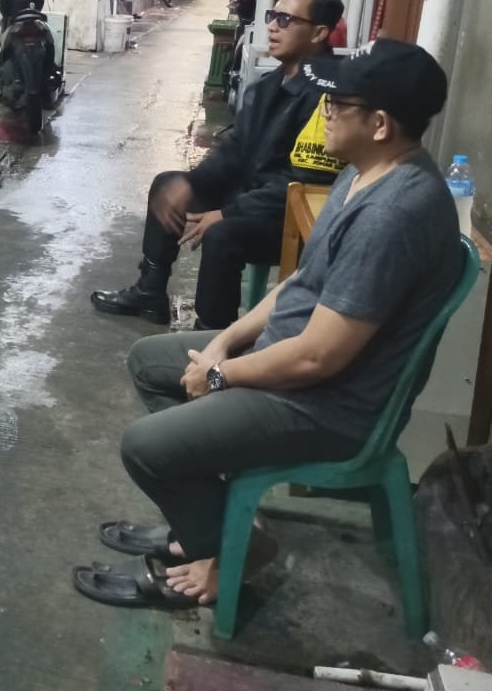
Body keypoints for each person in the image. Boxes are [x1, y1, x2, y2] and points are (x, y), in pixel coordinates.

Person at [75, 39, 461, 609]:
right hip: (296, 366)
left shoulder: (392, 215)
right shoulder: (362, 175)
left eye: (336, 105)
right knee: (150, 361)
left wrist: (221, 375)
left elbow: (318, 358)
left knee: (146, 448)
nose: (323, 114)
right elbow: (299, 283)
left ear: (380, 124)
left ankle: (231, 553)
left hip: (326, 405)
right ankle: (211, 524)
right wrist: (226, 342)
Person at [92, 0, 347, 330]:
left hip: (291, 216)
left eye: (286, 20)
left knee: (222, 235)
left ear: (318, 33)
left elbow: (302, 184)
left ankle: (211, 334)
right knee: (168, 184)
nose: (273, 27)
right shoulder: (267, 87)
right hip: (253, 194)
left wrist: (227, 212)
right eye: (272, 16)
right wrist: (192, 183)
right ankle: (150, 291)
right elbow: (235, 149)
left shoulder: (329, 97)